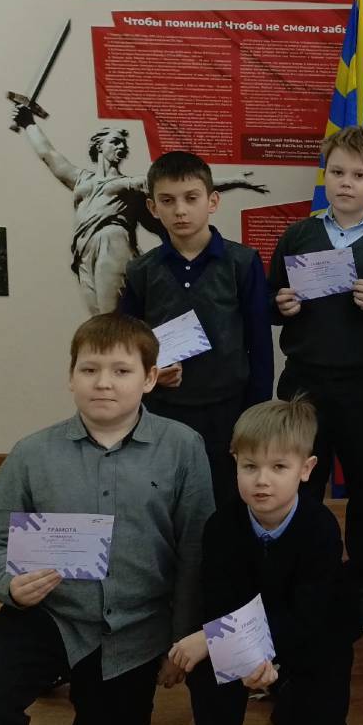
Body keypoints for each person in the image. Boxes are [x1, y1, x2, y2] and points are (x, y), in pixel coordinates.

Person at [0, 313, 215, 725]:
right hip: (49, 615)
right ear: (71, 377)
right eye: (89, 370)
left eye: (121, 371)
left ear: (150, 378)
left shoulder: (183, 447)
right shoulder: (31, 454)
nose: (103, 383)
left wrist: (180, 639)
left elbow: (194, 551)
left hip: (136, 628)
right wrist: (10, 585)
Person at [268, 126, 363, 632]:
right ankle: (303, 577)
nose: (346, 183)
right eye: (338, 172)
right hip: (303, 381)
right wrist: (282, 305)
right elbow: (271, 301)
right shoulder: (299, 235)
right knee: (299, 483)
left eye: (359, 175)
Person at [170, 399, 358, 725]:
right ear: (235, 464)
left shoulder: (321, 528)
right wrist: (243, 653)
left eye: (279, 467)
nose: (262, 480)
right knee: (206, 671)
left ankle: (289, 699)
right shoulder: (220, 527)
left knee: (320, 706)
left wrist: (232, 644)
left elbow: (308, 615)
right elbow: (219, 602)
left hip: (311, 633)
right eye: (250, 466)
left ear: (306, 469)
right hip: (240, 628)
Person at [119, 151, 274, 508]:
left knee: (225, 498)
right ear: (152, 207)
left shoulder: (243, 262)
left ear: (212, 201)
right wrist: (150, 376)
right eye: (167, 201)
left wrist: (256, 414)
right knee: (166, 496)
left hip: (229, 408)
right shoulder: (141, 270)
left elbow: (260, 345)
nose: (180, 210)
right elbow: (128, 345)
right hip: (163, 408)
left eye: (191, 198)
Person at [10, 110, 267, 314]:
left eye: (123, 144)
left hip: (113, 243)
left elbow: (183, 184)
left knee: (114, 320)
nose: (121, 147)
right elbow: (48, 154)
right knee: (98, 321)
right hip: (84, 250)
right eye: (115, 142)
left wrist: (235, 180)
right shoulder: (80, 179)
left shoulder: (130, 184)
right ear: (99, 146)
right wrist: (28, 122)